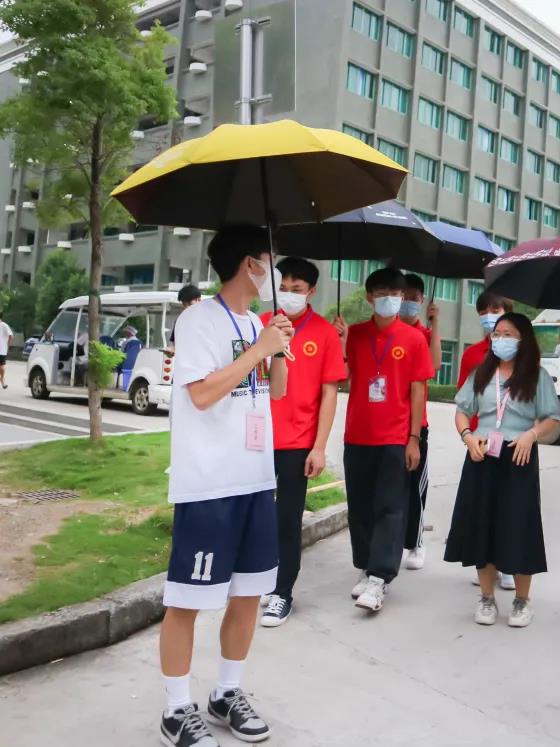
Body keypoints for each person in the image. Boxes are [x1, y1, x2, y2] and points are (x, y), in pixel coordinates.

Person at [158, 226, 293, 747]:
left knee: (249, 593)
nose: (276, 270)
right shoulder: (198, 320)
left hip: (255, 478)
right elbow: (201, 394)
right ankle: (176, 708)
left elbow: (276, 391)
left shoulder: (258, 321)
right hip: (208, 484)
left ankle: (227, 693)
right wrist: (258, 348)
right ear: (249, 265)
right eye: (270, 260)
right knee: (187, 600)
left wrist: (275, 348)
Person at [445, 312, 560, 628]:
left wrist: (532, 434)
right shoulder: (482, 374)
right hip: (481, 456)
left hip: (518, 457)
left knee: (519, 526)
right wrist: (467, 436)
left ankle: (522, 601)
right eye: (497, 334)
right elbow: (462, 411)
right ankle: (487, 598)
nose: (500, 340)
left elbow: (553, 418)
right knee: (482, 525)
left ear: (523, 340)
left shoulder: (537, 376)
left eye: (508, 334)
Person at [335, 267, 433, 613]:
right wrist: (340, 342)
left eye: (395, 293)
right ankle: (365, 566)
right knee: (360, 506)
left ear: (403, 297)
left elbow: (418, 389)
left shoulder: (414, 338)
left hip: (395, 435)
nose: (389, 299)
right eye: (381, 293)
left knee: (390, 507)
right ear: (369, 297)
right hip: (358, 434)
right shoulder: (357, 334)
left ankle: (380, 578)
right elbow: (343, 377)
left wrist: (413, 438)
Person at [259, 257, 347, 628]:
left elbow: (330, 393)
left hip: (297, 442)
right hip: (257, 439)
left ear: (311, 291)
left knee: (287, 518)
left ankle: (283, 592)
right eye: (283, 288)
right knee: (256, 515)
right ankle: (260, 580)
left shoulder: (324, 333)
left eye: (296, 289)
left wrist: (319, 446)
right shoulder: (262, 324)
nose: (289, 294)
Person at [457, 290, 517, 592]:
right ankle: (484, 562)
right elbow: (463, 405)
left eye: (495, 310)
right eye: (483, 311)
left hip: (514, 444)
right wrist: (468, 436)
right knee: (481, 508)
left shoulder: (523, 355)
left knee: (509, 507)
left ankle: (507, 564)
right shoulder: (472, 355)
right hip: (481, 443)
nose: (489, 316)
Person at [399, 273, 441, 571]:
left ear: (422, 300)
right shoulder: (388, 331)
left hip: (416, 424)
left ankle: (416, 542)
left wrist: (435, 325)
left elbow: (435, 364)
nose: (408, 302)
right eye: (404, 297)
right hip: (388, 425)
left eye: (414, 298)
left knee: (415, 487)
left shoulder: (424, 334)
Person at [168, 284, 203, 351]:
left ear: (199, 300)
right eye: (184, 304)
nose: (187, 307)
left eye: (189, 304)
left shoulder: (208, 320)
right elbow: (175, 345)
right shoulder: (179, 321)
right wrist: (171, 351)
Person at [0, 310, 13, 389]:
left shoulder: (4, 325)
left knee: (1, 366)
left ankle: (2, 379)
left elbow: (11, 336)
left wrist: (7, 345)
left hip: (1, 350)